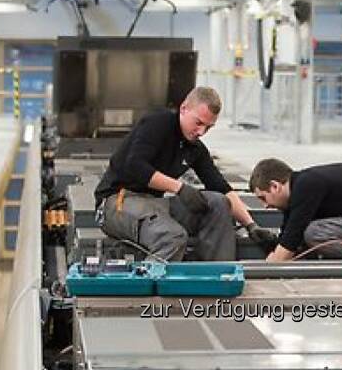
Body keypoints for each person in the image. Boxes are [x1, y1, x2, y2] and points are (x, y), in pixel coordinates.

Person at [94, 86, 277, 261]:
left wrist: (250, 225)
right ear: (183, 108)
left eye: (208, 127)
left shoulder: (195, 148)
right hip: (117, 202)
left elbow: (221, 188)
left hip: (154, 204)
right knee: (172, 237)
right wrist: (180, 188)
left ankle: (215, 279)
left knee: (219, 203)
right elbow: (135, 166)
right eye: (198, 123)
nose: (201, 132)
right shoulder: (158, 123)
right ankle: (157, 288)